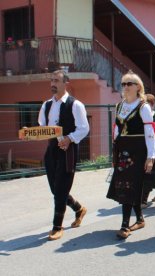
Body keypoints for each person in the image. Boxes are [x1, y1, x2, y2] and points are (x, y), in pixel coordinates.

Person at [37, 70, 89, 241]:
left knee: (60, 189)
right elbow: (43, 127)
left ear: (65, 83)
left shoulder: (76, 105)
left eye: (56, 80)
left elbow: (83, 128)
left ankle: (57, 226)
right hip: (52, 149)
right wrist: (32, 133)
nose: (53, 83)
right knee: (55, 188)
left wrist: (69, 138)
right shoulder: (46, 105)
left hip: (68, 150)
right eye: (51, 80)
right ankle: (79, 208)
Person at [107, 71, 155, 239]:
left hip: (138, 151)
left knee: (130, 185)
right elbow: (116, 129)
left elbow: (150, 133)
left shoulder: (144, 107)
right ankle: (140, 218)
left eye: (129, 84)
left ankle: (125, 225)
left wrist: (151, 157)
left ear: (138, 87)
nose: (125, 87)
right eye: (123, 84)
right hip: (122, 150)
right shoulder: (119, 106)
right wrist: (114, 151)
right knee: (125, 185)